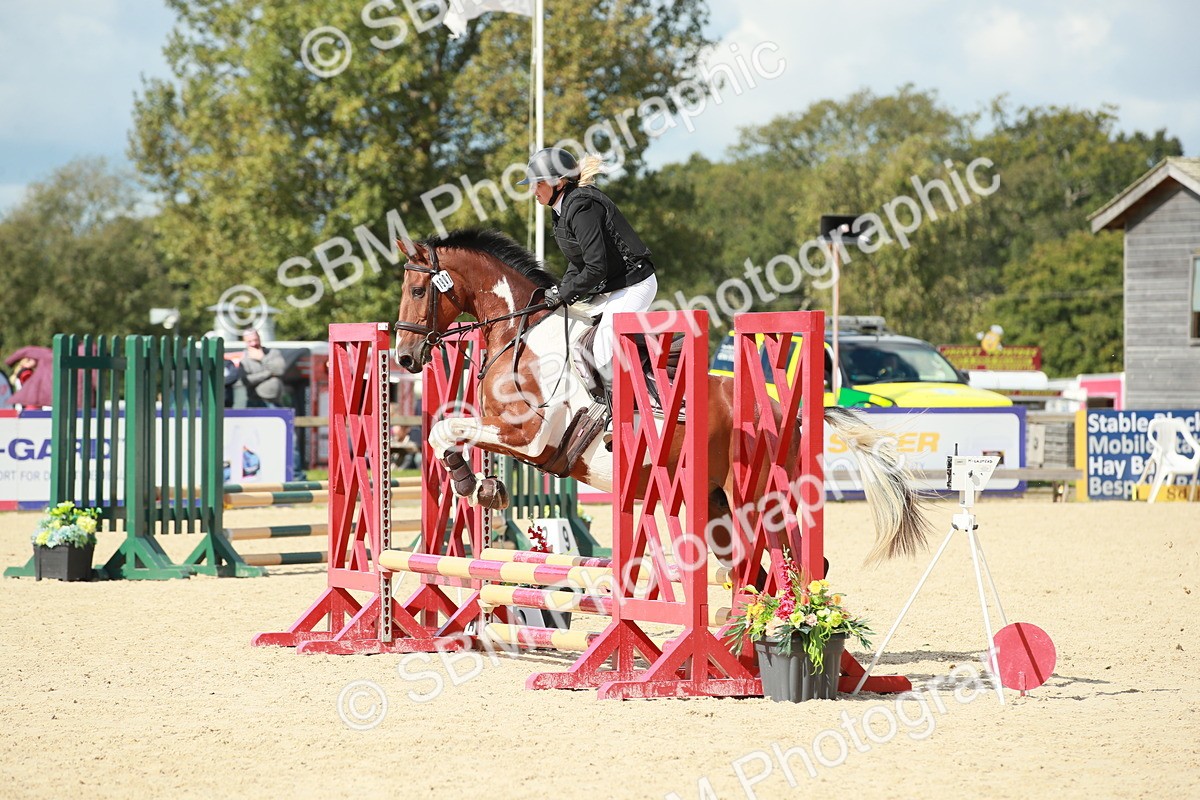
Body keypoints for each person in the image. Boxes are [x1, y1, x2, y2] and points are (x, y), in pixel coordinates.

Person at [519, 147, 657, 375]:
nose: (533, 190)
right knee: (571, 335)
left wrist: (565, 294)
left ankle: (618, 409)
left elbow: (596, 267)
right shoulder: (561, 209)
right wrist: (560, 291)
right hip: (612, 287)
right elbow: (579, 262)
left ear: (559, 183)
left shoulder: (582, 206)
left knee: (600, 351)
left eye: (538, 183)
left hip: (634, 284)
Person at [239, 329, 287, 408]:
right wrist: (269, 373)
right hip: (255, 401)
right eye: (249, 341)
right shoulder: (244, 358)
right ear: (245, 342)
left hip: (275, 401)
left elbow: (280, 370)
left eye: (255, 340)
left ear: (260, 338)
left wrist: (263, 358)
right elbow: (246, 380)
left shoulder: (273, 353)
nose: (254, 343)